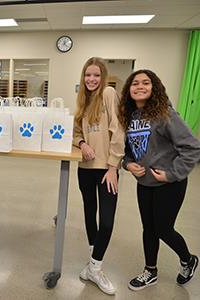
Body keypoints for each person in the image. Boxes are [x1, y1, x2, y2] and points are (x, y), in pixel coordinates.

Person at [118, 69, 200, 290]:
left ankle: (188, 259)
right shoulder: (129, 117)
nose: (140, 87)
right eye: (135, 83)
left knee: (163, 229)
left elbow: (192, 147)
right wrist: (128, 164)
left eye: (146, 83)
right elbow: (126, 151)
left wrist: (171, 173)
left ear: (155, 88)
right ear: (129, 90)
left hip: (169, 184)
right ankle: (150, 271)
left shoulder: (166, 115)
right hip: (144, 183)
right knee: (149, 228)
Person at [73, 57, 125, 295]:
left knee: (106, 221)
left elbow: (119, 130)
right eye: (87, 75)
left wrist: (113, 166)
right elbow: (74, 131)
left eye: (95, 75)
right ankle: (94, 264)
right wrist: (82, 143)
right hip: (85, 168)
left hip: (107, 169)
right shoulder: (83, 100)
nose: (91, 79)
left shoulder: (109, 94)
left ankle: (94, 268)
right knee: (89, 214)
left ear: (103, 76)